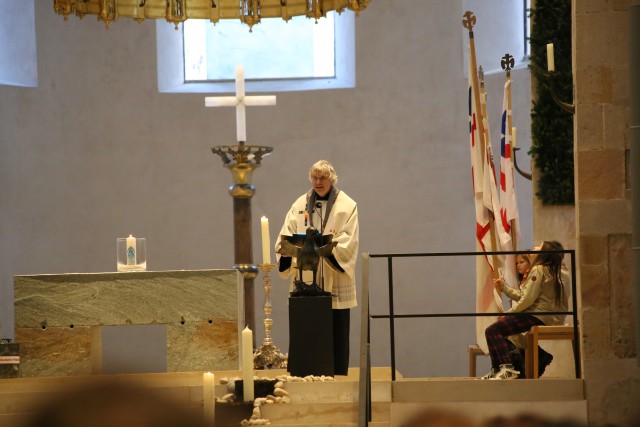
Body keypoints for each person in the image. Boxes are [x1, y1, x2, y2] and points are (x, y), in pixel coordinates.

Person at [275, 160, 359, 375]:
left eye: (322, 178)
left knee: (336, 326)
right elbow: (286, 233)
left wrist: (324, 248)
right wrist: (287, 249)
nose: (318, 182)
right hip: (306, 274)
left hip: (333, 274)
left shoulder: (347, 206)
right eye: (314, 177)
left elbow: (349, 240)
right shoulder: (299, 204)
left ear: (332, 179)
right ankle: (305, 370)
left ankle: (337, 372)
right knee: (306, 323)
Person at [481, 240, 567, 380]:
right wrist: (505, 288)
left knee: (493, 330)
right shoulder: (561, 270)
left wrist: (508, 314)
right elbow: (526, 296)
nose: (534, 247)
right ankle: (499, 369)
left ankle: (506, 368)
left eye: (539, 246)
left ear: (544, 252)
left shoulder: (539, 269)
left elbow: (527, 300)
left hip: (537, 315)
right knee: (500, 331)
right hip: (551, 316)